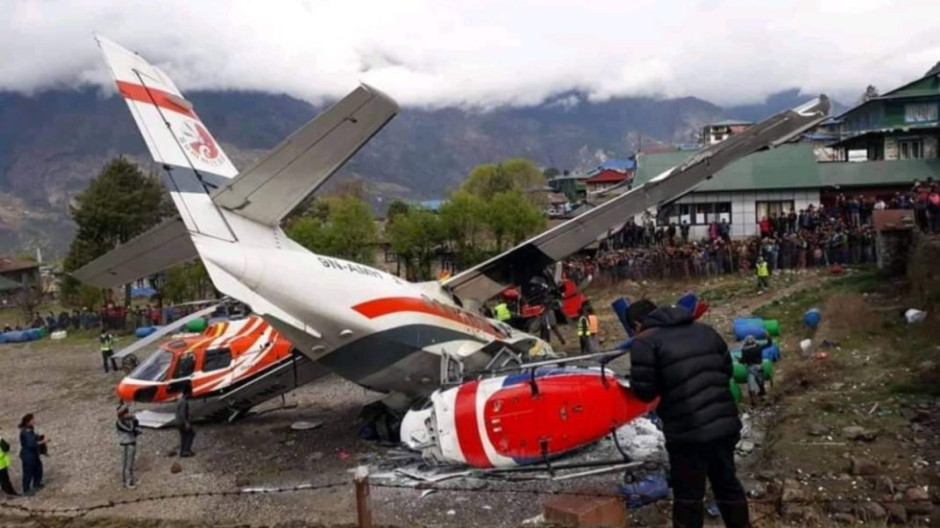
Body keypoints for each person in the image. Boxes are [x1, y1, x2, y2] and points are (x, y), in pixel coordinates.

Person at [626, 300, 749, 528]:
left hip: (687, 432)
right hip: (724, 424)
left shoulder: (645, 341)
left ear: (636, 325)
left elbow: (645, 392)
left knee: (688, 497)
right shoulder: (706, 331)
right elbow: (726, 370)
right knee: (727, 485)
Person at [18, 414, 45, 496]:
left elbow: (33, 438)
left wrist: (38, 437)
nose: (34, 421)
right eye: (32, 420)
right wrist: (43, 442)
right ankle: (26, 489)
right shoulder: (26, 432)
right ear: (28, 422)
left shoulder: (30, 429)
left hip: (33, 454)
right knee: (28, 472)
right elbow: (31, 444)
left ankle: (36, 483)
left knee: (38, 468)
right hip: (28, 455)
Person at [116, 403, 141, 488]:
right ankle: (126, 482)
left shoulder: (129, 420)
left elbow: (136, 428)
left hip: (132, 442)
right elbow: (129, 429)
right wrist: (133, 421)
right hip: (125, 445)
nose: (127, 414)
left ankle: (131, 479)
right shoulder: (119, 422)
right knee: (125, 465)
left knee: (130, 464)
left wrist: (135, 422)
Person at [740, 335, 770, 405]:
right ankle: (763, 395)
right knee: (760, 381)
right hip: (759, 366)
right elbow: (769, 344)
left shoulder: (745, 350)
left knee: (751, 382)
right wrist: (768, 337)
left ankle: (753, 399)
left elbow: (743, 360)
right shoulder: (758, 347)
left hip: (751, 367)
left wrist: (740, 361)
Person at [176, 384, 196, 457]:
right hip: (182, 422)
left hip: (178, 421)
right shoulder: (184, 402)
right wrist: (186, 422)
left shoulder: (180, 400)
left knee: (184, 436)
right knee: (191, 434)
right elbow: (182, 413)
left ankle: (182, 451)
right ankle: (186, 450)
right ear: (188, 393)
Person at [0, 427, 18, 496]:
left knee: (4, 479)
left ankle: (8, 491)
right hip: (1, 464)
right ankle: (10, 493)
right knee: (5, 480)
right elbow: (6, 447)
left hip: (2, 463)